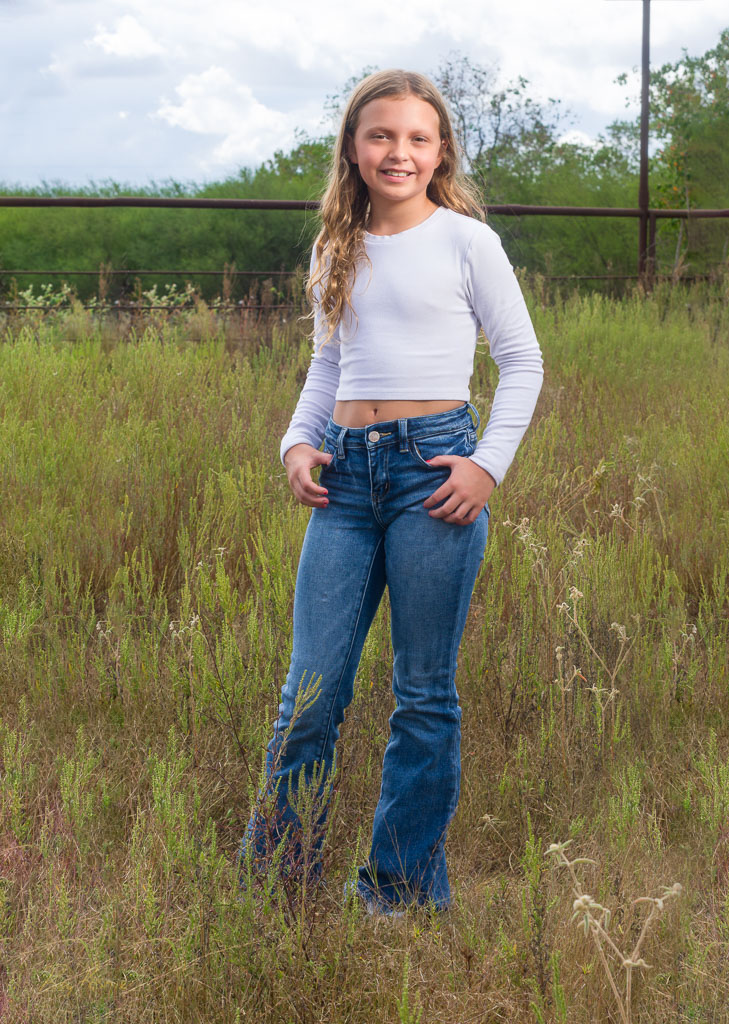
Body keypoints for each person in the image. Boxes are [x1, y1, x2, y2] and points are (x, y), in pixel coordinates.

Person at [239, 68, 543, 916]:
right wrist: (297, 441)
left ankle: (399, 891)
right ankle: (279, 888)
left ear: (440, 151)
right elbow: (328, 363)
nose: (397, 152)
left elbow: (521, 360)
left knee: (422, 695)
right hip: (343, 478)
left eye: (416, 137)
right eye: (380, 135)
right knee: (309, 695)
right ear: (352, 147)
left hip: (432, 473)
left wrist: (486, 465)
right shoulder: (335, 246)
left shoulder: (466, 242)